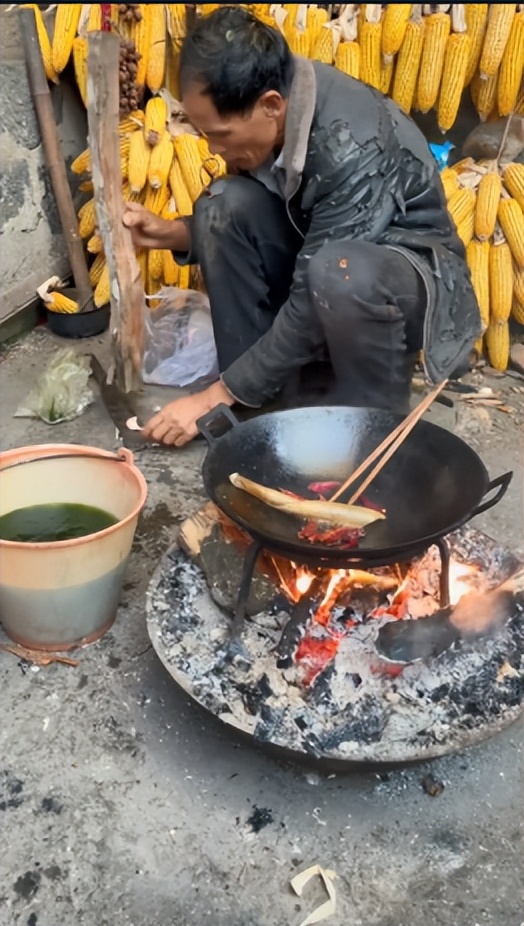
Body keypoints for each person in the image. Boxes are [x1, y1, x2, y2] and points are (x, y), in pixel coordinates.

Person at [123, 6, 481, 447]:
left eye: (220, 134)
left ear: (271, 106)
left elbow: (313, 293)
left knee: (338, 272)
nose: (214, 150)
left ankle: (372, 431)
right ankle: (258, 406)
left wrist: (214, 393)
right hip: (327, 258)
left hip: (408, 277)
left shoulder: (350, 143)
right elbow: (279, 218)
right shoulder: (278, 105)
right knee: (222, 203)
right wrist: (173, 233)